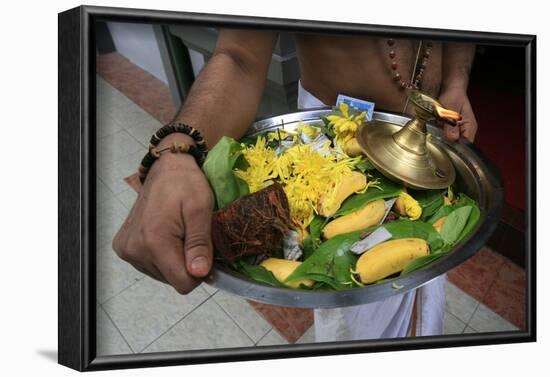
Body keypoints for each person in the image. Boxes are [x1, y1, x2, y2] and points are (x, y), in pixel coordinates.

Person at [112, 29, 477, 340]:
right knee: (351, 324)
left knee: (424, 271)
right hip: (333, 148)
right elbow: (239, 57)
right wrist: (178, 151)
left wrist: (456, 83)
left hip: (424, 144)